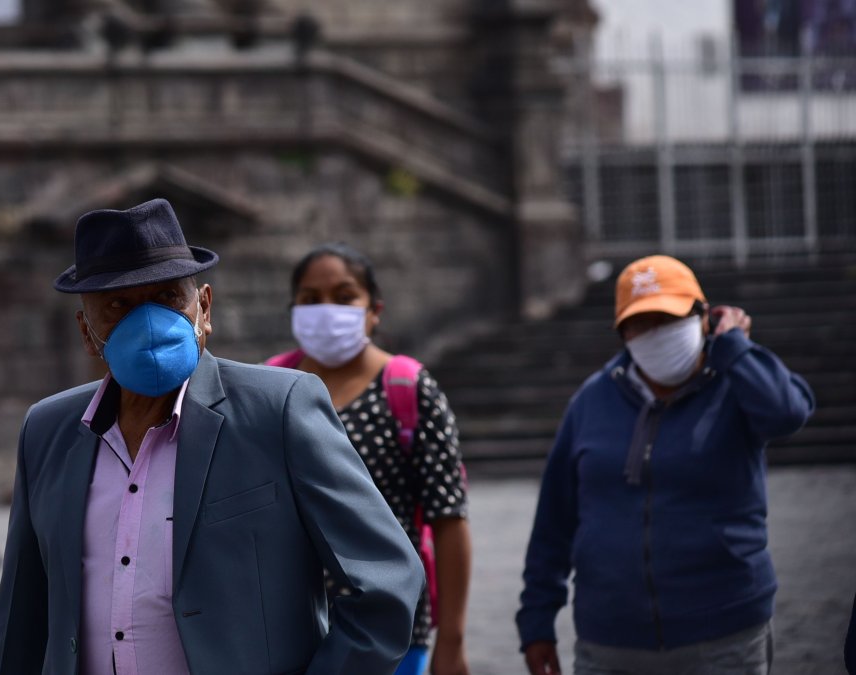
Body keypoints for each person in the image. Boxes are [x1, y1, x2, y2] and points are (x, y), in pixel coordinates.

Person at [0, 199, 424, 675]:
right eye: (119, 305)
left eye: (169, 297)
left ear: (205, 308)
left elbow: (386, 577)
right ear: (88, 332)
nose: (148, 322)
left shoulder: (277, 410)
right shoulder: (47, 431)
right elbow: (21, 620)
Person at [516, 255, 815, 675]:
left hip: (724, 636)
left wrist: (736, 348)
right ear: (622, 332)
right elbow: (555, 520)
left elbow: (787, 413)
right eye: (641, 323)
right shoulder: (592, 401)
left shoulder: (736, 382)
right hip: (608, 642)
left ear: (702, 317)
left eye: (668, 317)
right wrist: (536, 620)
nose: (655, 333)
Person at [266, 243, 473, 675]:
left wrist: (451, 639)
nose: (326, 310)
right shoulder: (269, 388)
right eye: (310, 299)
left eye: (344, 298)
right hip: (288, 624)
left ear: (374, 310)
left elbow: (449, 517)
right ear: (293, 310)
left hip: (389, 626)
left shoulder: (408, 388)